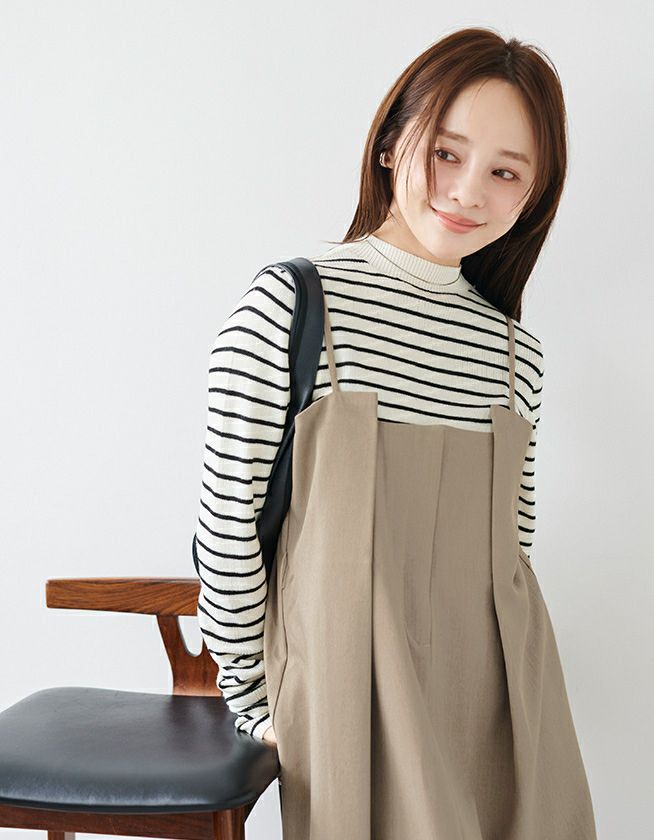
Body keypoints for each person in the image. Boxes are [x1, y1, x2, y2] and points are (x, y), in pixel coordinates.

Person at [194, 25, 597, 839]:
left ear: (533, 195)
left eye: (505, 172)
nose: (468, 191)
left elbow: (511, 550)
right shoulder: (292, 305)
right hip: (349, 697)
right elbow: (227, 529)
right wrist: (257, 701)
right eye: (446, 153)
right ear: (390, 144)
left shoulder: (515, 355)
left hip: (504, 704)